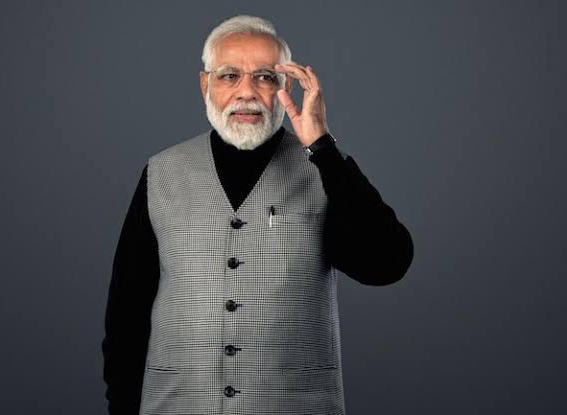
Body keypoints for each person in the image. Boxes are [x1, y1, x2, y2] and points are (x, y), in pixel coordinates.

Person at [101, 14, 414, 415]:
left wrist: (322, 147)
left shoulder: (325, 172)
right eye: (229, 76)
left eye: (265, 77)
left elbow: (386, 264)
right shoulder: (162, 172)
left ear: (286, 87)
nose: (246, 92)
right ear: (205, 85)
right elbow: (126, 312)